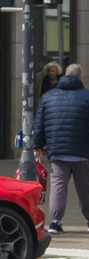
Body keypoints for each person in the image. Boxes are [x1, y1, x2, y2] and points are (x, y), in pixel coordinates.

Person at [33, 64, 89, 235]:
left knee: (58, 186)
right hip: (82, 151)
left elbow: (39, 123)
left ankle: (56, 222)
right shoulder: (87, 96)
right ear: (80, 77)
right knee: (85, 187)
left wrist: (38, 145)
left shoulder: (48, 97)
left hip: (57, 150)